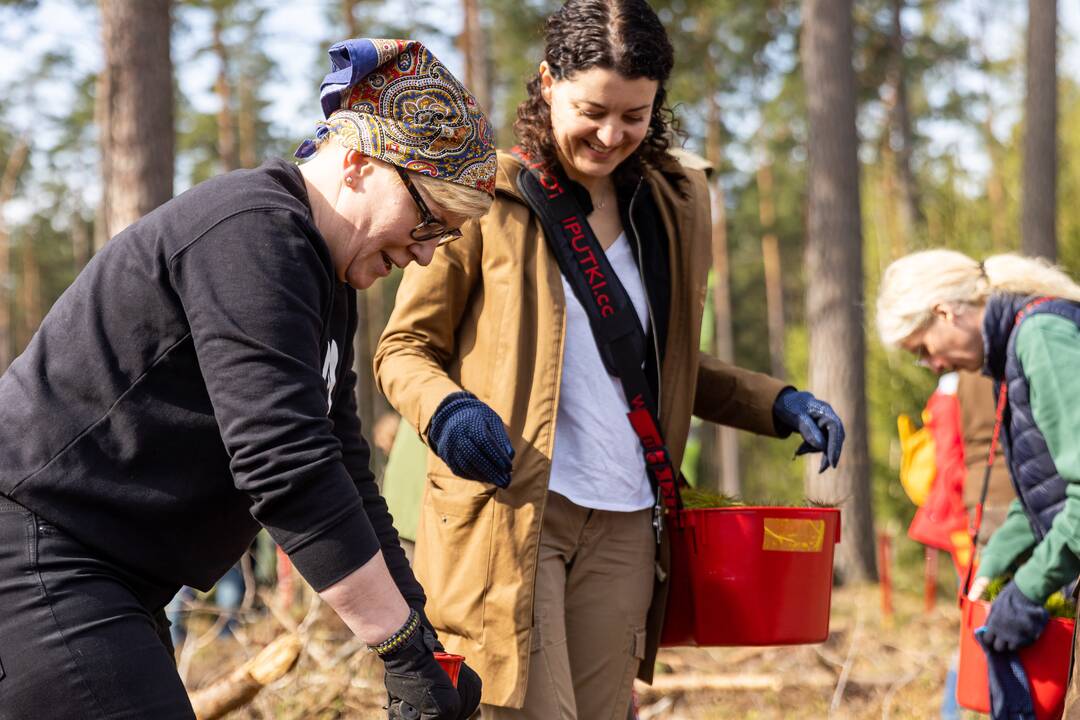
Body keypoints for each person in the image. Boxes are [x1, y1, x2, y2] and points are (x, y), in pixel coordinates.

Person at [0, 38, 495, 720]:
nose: (422, 253)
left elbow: (343, 467)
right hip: (39, 551)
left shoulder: (322, 277)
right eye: (428, 220)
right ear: (357, 162)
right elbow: (284, 464)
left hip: (110, 573)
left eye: (443, 239)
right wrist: (400, 648)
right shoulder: (254, 235)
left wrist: (422, 640)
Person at [373, 3, 846, 717]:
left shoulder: (676, 203)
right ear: (547, 83)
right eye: (593, 109)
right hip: (512, 514)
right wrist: (446, 409)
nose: (611, 134)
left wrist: (774, 402)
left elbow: (663, 363)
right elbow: (405, 347)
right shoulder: (486, 191)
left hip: (629, 520)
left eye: (635, 116)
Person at [875, 249, 1080, 715]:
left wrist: (1029, 586)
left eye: (923, 350)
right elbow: (1041, 493)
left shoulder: (1042, 337)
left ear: (945, 312)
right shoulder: (1013, 349)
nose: (932, 365)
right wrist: (994, 565)